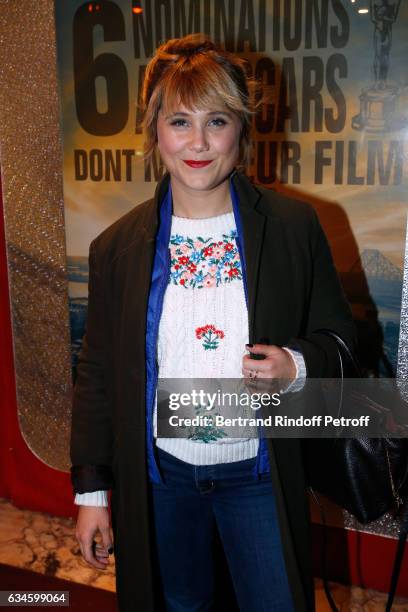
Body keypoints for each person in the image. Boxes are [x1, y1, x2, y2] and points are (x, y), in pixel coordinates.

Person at [71, 34, 355, 612]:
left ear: (242, 131)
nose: (198, 143)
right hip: (161, 481)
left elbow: (345, 340)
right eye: (179, 121)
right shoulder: (118, 247)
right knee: (180, 604)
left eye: (217, 120)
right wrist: (93, 493)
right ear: (155, 132)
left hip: (258, 476)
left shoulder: (293, 227)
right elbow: (97, 376)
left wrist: (296, 363)